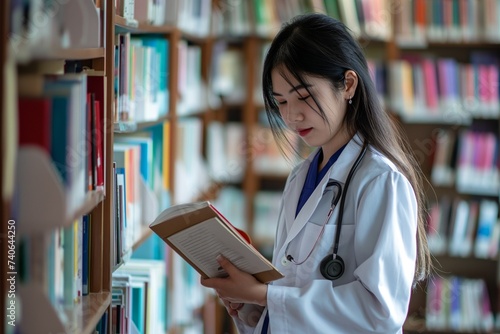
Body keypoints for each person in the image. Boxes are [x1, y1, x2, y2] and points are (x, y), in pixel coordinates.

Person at [201, 13, 431, 333]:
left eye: (304, 96)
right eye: (280, 101)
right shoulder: (300, 177)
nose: (292, 115)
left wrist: (266, 296)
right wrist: (251, 303)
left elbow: (381, 312)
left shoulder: (380, 181)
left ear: (348, 84)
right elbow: (291, 284)